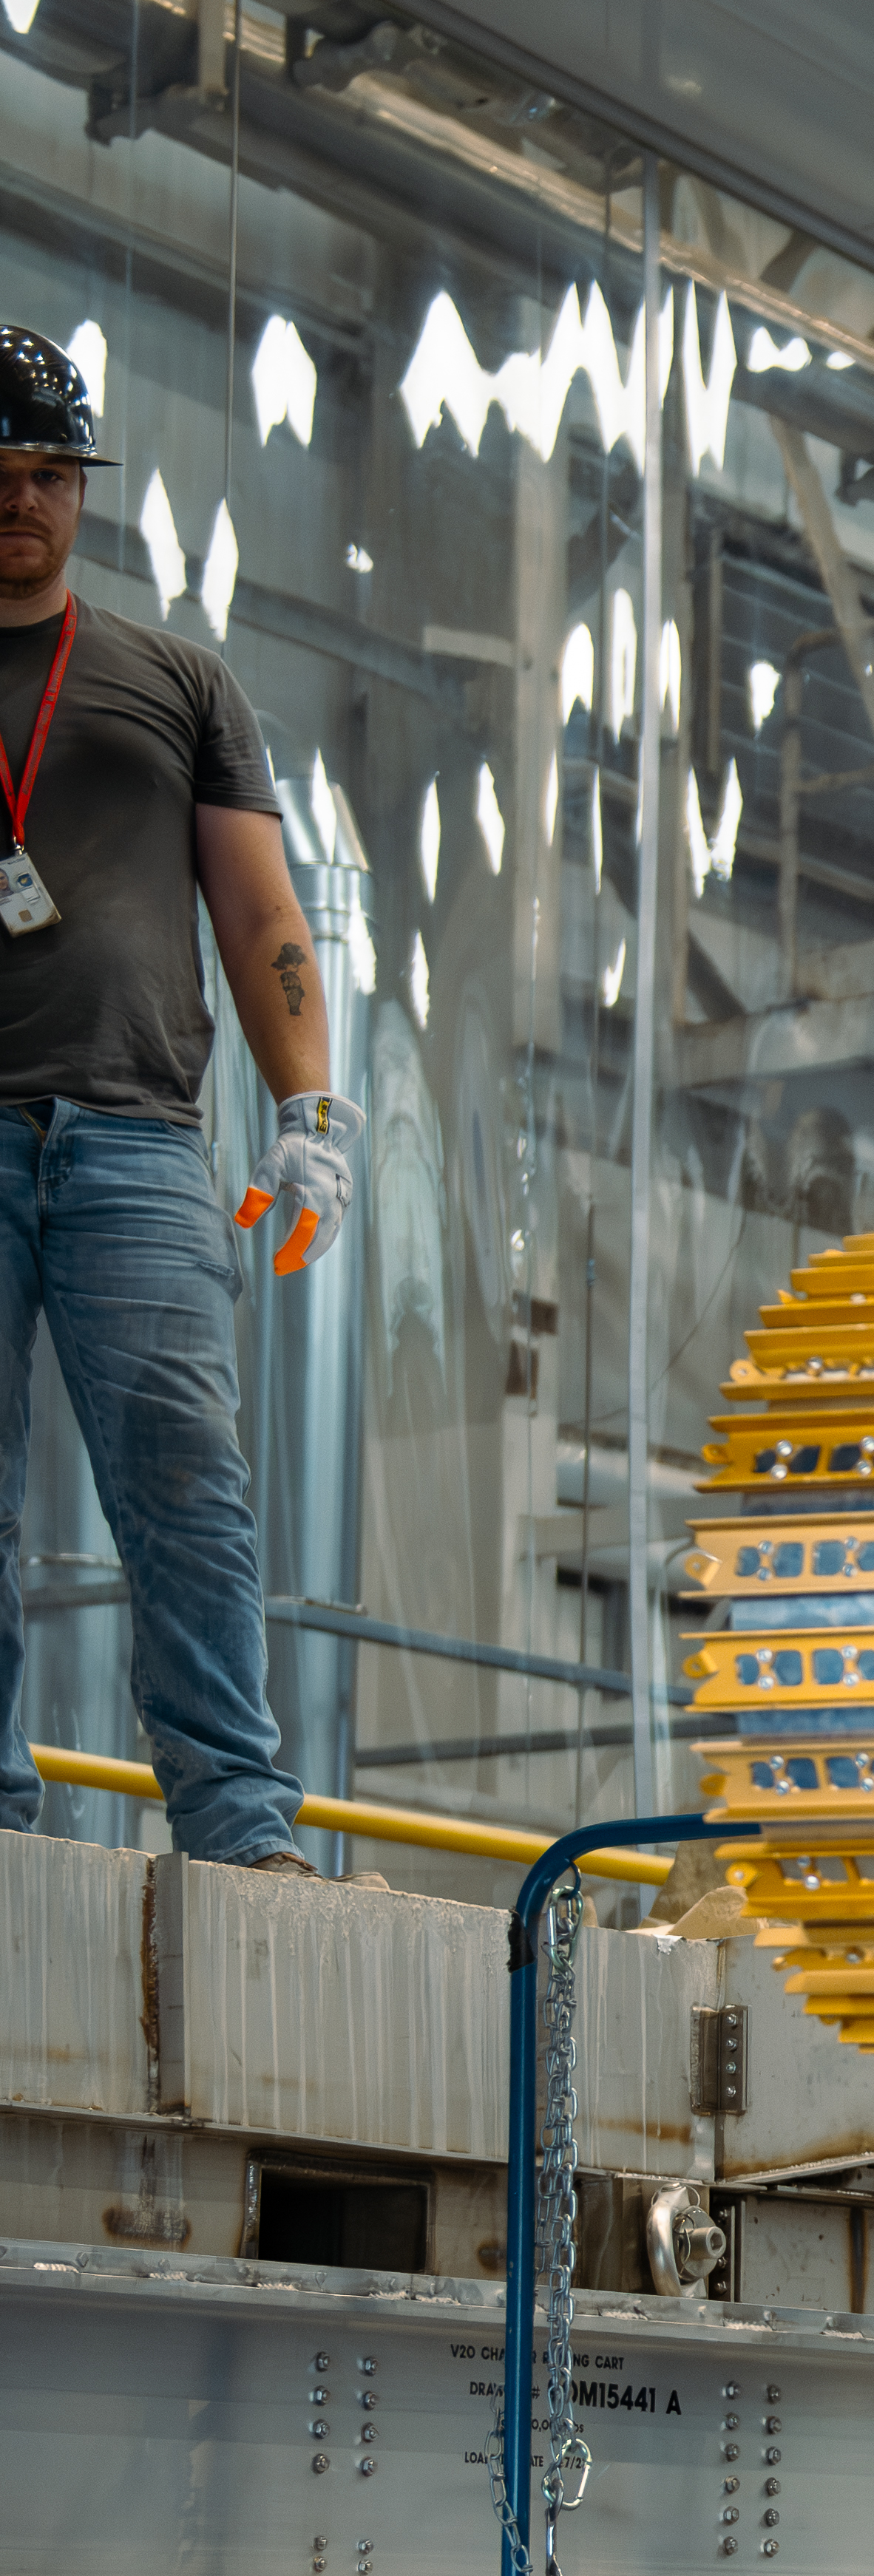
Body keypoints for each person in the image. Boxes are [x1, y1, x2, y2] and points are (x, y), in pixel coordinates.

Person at [0, 325, 354, 1867]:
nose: (20, 499)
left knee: (189, 1489)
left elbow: (264, 919)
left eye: (46, 474)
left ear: (81, 491)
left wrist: (314, 1117)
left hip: (138, 1139)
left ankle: (235, 1820)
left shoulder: (175, 680)